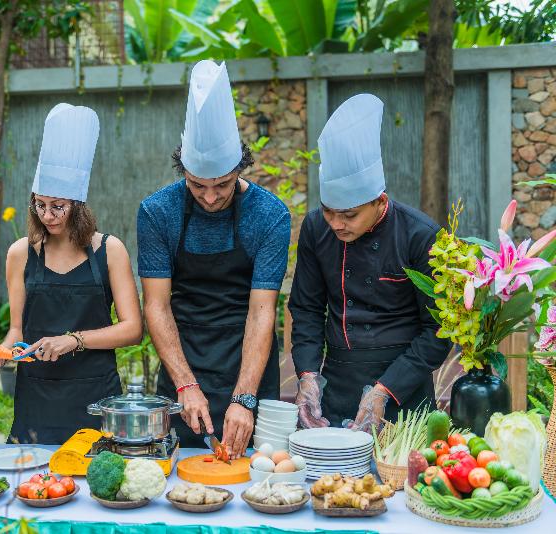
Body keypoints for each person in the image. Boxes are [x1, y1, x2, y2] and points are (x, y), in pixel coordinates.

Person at [138, 60, 292, 458]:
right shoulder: (157, 212)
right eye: (196, 185)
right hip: (182, 358)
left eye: (221, 185)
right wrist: (185, 385)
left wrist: (244, 398)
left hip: (249, 361)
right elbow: (156, 305)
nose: (209, 197)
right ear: (182, 170)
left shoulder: (270, 215)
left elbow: (262, 312)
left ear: (240, 166)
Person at [0, 103, 142, 444]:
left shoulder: (110, 250)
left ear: (78, 204)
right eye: (40, 204)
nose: (47, 215)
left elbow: (132, 329)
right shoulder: (21, 253)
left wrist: (74, 340)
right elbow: (18, 329)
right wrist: (0, 355)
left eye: (58, 207)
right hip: (36, 397)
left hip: (96, 396)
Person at [289, 94, 453, 432]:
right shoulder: (315, 228)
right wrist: (307, 376)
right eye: (329, 210)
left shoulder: (421, 236)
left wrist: (383, 391)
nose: (335, 223)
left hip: (403, 386)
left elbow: (437, 331)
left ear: (379, 201)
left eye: (349, 214)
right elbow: (306, 309)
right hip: (336, 386)